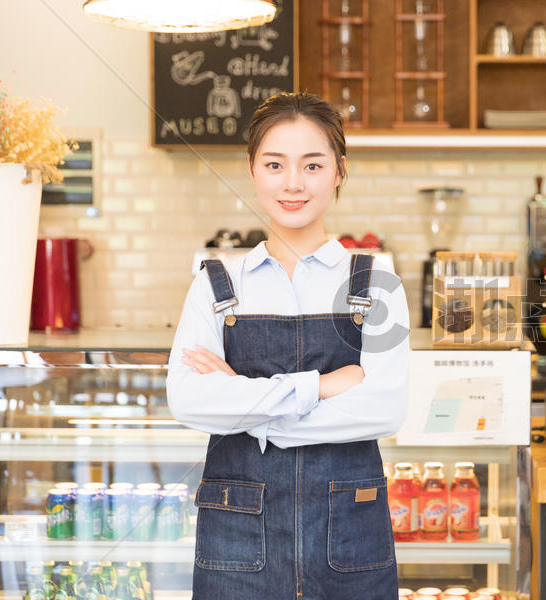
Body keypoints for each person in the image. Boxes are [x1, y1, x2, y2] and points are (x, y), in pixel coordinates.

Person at [166, 92, 410, 599]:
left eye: (313, 165)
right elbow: (189, 399)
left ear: (339, 171)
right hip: (237, 537)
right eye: (275, 164)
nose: (293, 183)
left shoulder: (377, 281)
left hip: (349, 534)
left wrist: (247, 402)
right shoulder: (214, 283)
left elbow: (384, 409)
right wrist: (321, 386)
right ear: (252, 169)